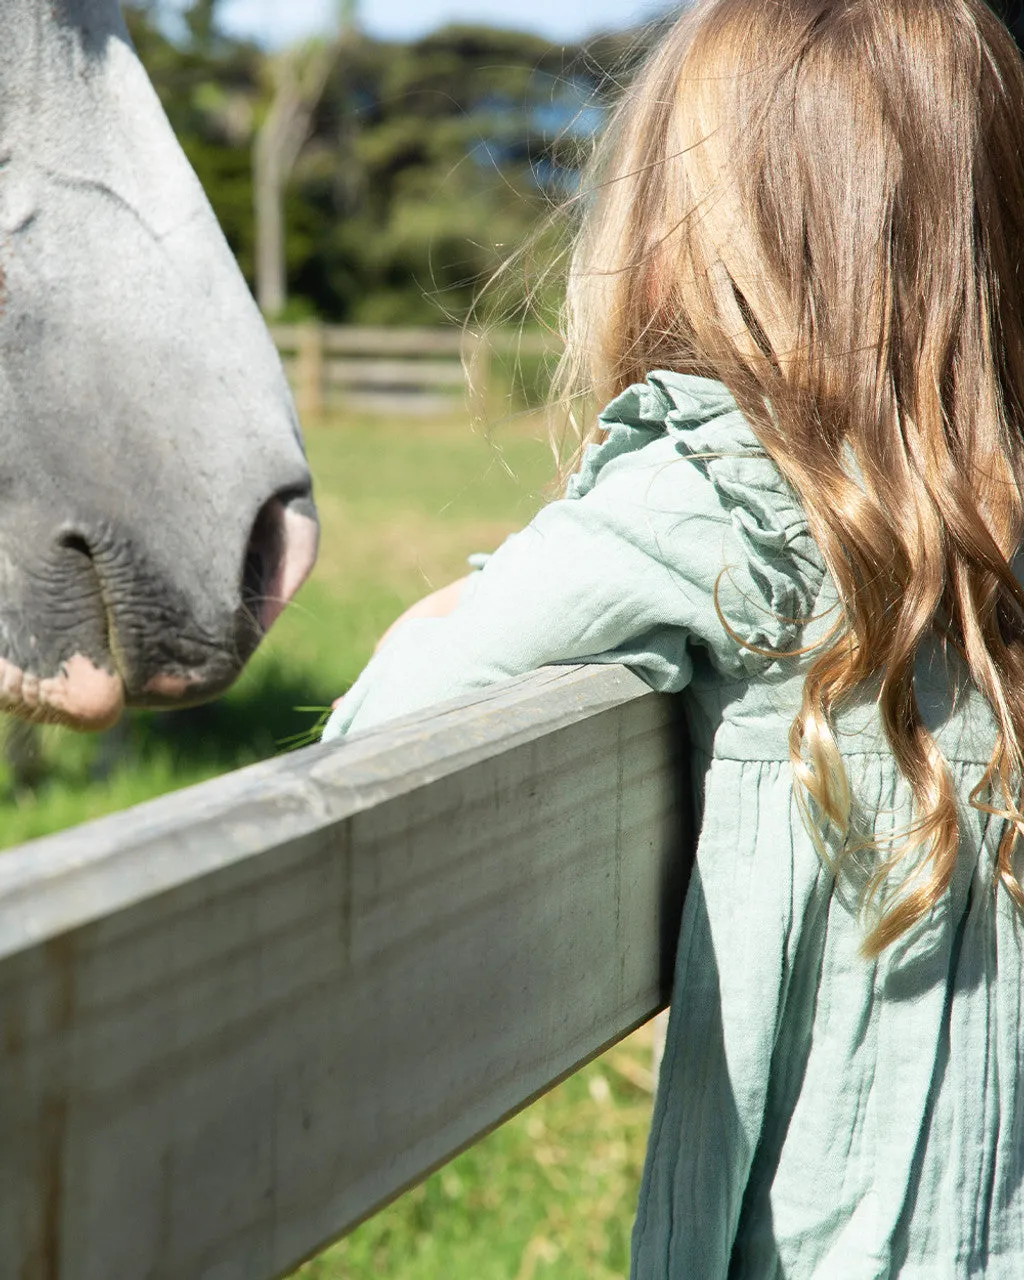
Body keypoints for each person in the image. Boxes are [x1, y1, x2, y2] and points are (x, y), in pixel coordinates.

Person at [323, 0, 1024, 1273]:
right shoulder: (996, 524)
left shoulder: (724, 491)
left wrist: (454, 594)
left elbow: (375, 733)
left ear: (687, 228)